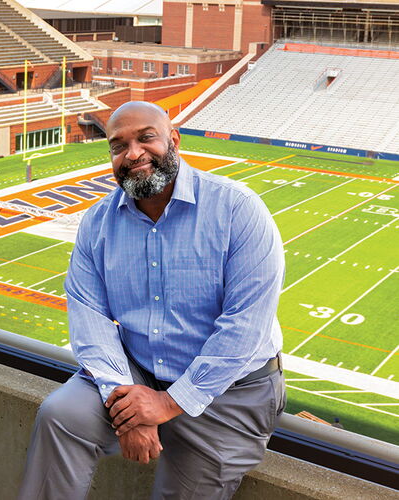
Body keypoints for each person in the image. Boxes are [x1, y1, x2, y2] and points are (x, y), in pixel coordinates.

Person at [18, 101, 286, 499]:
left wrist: (168, 403)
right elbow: (88, 318)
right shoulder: (98, 222)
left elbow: (246, 328)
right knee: (62, 415)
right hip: (138, 373)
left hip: (228, 391)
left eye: (146, 138)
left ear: (173, 139)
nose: (133, 154)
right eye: (118, 145)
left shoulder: (237, 209)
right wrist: (127, 404)